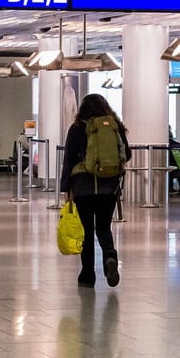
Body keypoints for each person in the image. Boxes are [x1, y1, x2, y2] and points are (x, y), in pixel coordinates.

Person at [59, 94, 131, 288]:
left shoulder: (77, 128)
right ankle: (110, 257)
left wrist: (65, 187)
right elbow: (128, 154)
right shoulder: (114, 126)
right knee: (103, 228)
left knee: (87, 230)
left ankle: (87, 275)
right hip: (109, 187)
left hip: (83, 188)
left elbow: (69, 159)